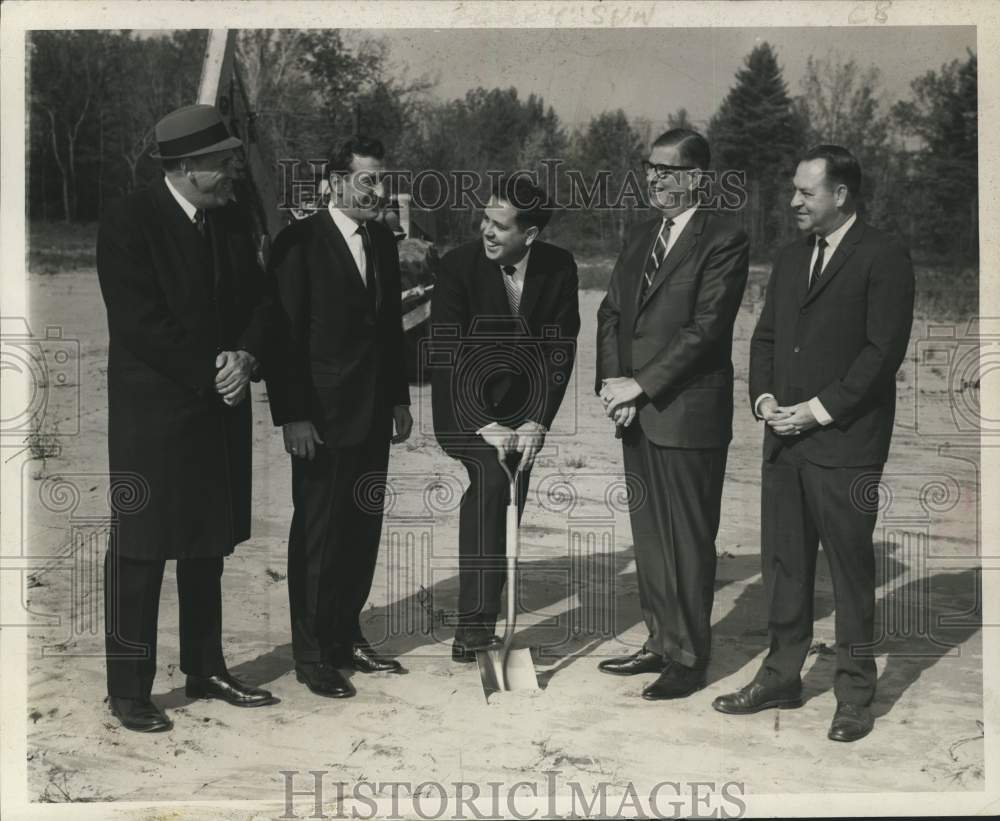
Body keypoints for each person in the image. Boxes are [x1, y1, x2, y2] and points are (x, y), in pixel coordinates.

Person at [712, 145, 914, 742]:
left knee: (850, 572)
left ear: (840, 195)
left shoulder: (884, 256)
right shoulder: (790, 256)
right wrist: (766, 400)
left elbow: (882, 354)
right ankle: (781, 675)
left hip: (845, 443)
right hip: (784, 440)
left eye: (805, 192)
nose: (793, 201)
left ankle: (854, 692)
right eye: (794, 190)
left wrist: (818, 412)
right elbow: (767, 337)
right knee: (784, 565)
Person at [97, 103, 277, 732]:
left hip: (220, 407)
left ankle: (205, 668)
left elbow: (260, 300)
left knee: (208, 547)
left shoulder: (228, 218)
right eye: (223, 160)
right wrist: (212, 368)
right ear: (186, 167)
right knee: (141, 553)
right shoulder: (128, 220)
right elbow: (139, 323)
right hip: (155, 417)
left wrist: (247, 355)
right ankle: (128, 691)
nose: (234, 168)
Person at [595, 128, 749, 700]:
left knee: (687, 538)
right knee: (651, 537)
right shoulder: (640, 236)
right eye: (649, 168)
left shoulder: (725, 239)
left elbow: (706, 330)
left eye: (666, 169)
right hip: (634, 410)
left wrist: (641, 384)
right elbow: (612, 313)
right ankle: (660, 640)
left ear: (698, 179)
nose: (654, 178)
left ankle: (689, 656)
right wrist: (616, 385)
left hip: (686, 414)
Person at [266, 136, 412, 699]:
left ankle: (346, 636)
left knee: (360, 530)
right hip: (320, 420)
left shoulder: (383, 240)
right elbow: (284, 338)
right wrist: (294, 415)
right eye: (367, 180)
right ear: (334, 182)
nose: (378, 190)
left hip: (373, 415)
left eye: (383, 180)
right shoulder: (298, 242)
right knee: (319, 535)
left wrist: (397, 399)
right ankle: (311, 653)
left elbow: (389, 331)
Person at [430, 176, 580, 661]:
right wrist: (483, 422)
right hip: (463, 405)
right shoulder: (458, 266)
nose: (487, 232)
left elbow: (560, 349)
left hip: (522, 410)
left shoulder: (558, 268)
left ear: (529, 235)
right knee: (493, 477)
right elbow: (448, 354)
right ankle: (473, 626)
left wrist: (538, 420)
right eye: (484, 221)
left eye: (500, 226)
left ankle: (488, 614)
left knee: (511, 486)